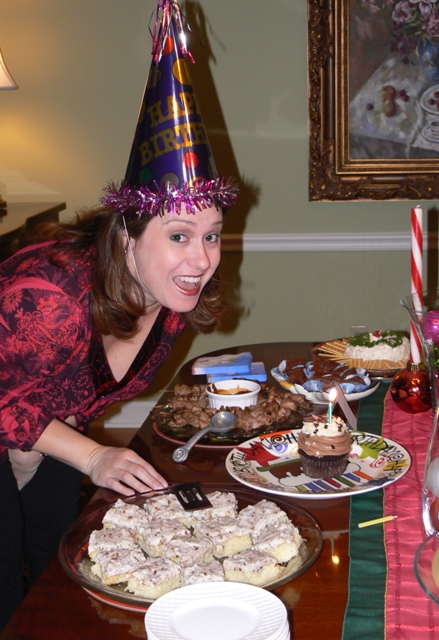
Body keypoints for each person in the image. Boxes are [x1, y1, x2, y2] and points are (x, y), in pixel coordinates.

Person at [0, 1, 238, 630]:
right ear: (128, 238)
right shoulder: (50, 294)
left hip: (42, 434)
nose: (201, 259)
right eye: (179, 235)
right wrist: (88, 457)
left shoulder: (171, 302)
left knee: (57, 575)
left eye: (212, 235)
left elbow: (68, 394)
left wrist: (44, 449)